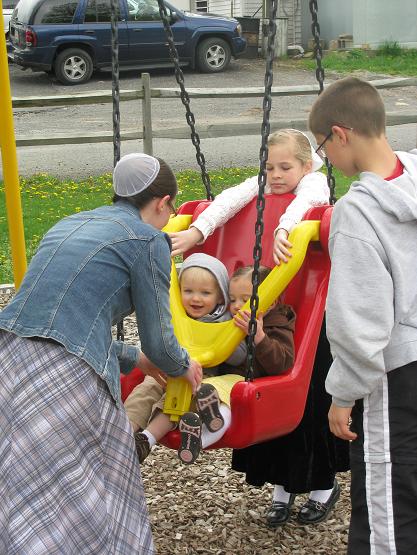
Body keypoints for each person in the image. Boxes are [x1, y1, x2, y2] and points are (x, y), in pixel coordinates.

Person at [0, 153, 202, 554]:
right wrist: (183, 366)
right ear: (162, 203)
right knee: (86, 482)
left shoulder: (68, 224)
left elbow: (57, 324)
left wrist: (137, 361)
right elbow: (160, 342)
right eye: (171, 209)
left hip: (10, 358)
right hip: (63, 375)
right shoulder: (148, 240)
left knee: (21, 482)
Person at [309, 76, 417, 554]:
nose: (326, 157)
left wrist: (342, 394)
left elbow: (360, 322)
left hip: (392, 374)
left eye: (322, 146)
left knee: (387, 501)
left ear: (342, 133)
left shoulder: (357, 215)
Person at [177, 265, 296, 464]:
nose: (237, 305)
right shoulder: (228, 321)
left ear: (271, 301)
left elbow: (282, 363)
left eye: (246, 299)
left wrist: (259, 337)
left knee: (227, 406)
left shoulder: (277, 322)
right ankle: (195, 435)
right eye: (232, 299)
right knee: (217, 405)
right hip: (225, 384)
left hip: (258, 389)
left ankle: (200, 439)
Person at [130, 252, 235, 463]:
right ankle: (122, 433)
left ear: (221, 296)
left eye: (205, 293)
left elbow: (238, 355)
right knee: (144, 390)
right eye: (188, 291)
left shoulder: (227, 322)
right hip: (166, 370)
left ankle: (145, 439)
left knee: (177, 398)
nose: (195, 298)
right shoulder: (173, 316)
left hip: (200, 378)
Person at [169, 128, 330, 265]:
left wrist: (284, 229)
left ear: (307, 166)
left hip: (302, 265)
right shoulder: (264, 182)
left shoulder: (314, 181)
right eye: (269, 167)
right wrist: (197, 231)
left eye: (285, 168)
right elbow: (231, 199)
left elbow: (305, 202)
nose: (276, 175)